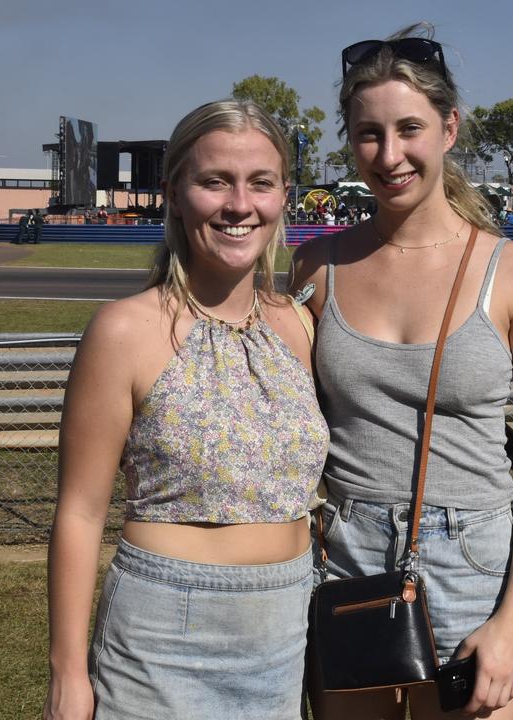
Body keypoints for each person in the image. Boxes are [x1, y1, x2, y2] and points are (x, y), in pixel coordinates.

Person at [291, 24, 513, 720]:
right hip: (344, 553)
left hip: (471, 559)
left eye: (409, 128)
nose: (389, 156)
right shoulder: (316, 268)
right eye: (368, 134)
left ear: (449, 127)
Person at [43, 99, 328, 719]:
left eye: (261, 182)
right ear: (174, 193)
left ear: (283, 195)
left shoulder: (298, 325)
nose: (239, 205)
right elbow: (81, 512)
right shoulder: (124, 331)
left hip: (284, 631)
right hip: (161, 637)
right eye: (214, 181)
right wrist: (67, 675)